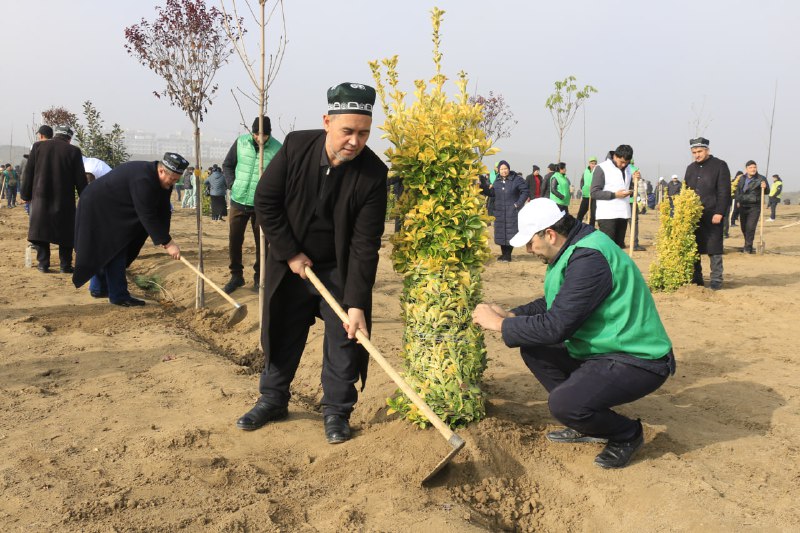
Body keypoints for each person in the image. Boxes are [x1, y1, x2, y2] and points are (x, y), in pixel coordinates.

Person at [236, 82, 388, 445]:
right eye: (347, 131)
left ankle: (336, 411)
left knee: (344, 338)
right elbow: (266, 202)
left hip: (339, 268)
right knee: (284, 331)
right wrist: (289, 252)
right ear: (327, 122)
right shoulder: (295, 147)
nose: (355, 141)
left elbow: (365, 244)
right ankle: (273, 399)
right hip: (291, 263)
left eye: (363, 133)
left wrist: (355, 304)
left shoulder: (373, 174)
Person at [472, 198, 674, 469]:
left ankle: (626, 434)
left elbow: (557, 327)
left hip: (638, 358)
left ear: (550, 234)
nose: (529, 250)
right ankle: (585, 420)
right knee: (535, 349)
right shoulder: (573, 247)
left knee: (564, 404)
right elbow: (556, 301)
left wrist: (498, 325)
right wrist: (512, 315)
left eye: (530, 243)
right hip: (604, 349)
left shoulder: (589, 258)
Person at [72, 153, 188, 306]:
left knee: (107, 248)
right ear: (161, 171)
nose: (173, 183)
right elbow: (147, 214)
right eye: (172, 179)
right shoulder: (144, 179)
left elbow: (163, 209)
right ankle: (119, 296)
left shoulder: (162, 181)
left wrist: (165, 236)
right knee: (116, 247)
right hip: (97, 207)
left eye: (176, 180)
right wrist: (168, 243)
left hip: (111, 208)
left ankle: (99, 288)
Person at [221, 116, 282, 293]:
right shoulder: (241, 143)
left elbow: (281, 177)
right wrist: (232, 184)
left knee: (263, 244)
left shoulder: (278, 149)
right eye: (256, 134)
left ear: (270, 134)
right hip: (238, 201)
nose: (259, 138)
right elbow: (227, 165)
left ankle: (259, 278)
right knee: (234, 240)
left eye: (264, 135)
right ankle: (236, 276)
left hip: (262, 205)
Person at [19, 125, 86, 273]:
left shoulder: (37, 147)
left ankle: (43, 264)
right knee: (66, 231)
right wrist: (85, 197)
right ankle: (65, 265)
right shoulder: (73, 151)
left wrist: (25, 195)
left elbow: (28, 173)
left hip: (41, 197)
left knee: (41, 230)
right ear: (69, 138)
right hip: (64, 199)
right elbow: (80, 179)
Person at [684, 137, 731, 289]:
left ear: (707, 150)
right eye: (694, 152)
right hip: (694, 215)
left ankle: (716, 280)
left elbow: (725, 192)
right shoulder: (690, 168)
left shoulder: (720, 165)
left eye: (699, 151)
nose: (697, 155)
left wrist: (720, 212)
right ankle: (697, 279)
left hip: (713, 215)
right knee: (694, 248)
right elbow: (685, 191)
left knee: (714, 249)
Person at [591, 145, 638, 248]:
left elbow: (628, 186)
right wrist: (615, 195)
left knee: (618, 248)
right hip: (607, 215)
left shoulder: (629, 168)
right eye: (621, 162)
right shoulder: (602, 168)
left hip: (623, 214)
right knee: (608, 248)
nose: (623, 164)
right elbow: (594, 192)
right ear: (615, 156)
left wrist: (635, 181)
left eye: (626, 162)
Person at [484, 160, 529, 262]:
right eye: (501, 169)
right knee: (501, 233)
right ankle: (503, 254)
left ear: (509, 169)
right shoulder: (497, 180)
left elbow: (525, 191)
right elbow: (492, 193)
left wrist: (518, 203)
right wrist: (483, 186)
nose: (504, 171)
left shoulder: (516, 179)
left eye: (505, 169)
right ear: (498, 170)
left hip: (511, 210)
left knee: (510, 233)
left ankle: (508, 255)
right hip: (499, 210)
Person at [734, 160, 768, 254]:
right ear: (746, 169)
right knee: (743, 227)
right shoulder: (742, 178)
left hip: (754, 206)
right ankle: (747, 244)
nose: (753, 169)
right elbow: (738, 190)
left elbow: (767, 191)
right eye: (751, 167)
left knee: (750, 227)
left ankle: (748, 247)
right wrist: (738, 200)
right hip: (743, 205)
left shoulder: (761, 178)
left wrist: (765, 187)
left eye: (754, 167)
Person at [576, 156, 598, 225]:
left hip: (594, 196)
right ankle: (577, 227)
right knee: (580, 214)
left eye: (594, 163)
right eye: (592, 163)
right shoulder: (585, 171)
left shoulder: (598, 171)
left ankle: (591, 228)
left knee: (593, 215)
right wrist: (582, 188)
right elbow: (582, 181)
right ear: (589, 163)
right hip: (586, 196)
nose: (593, 165)